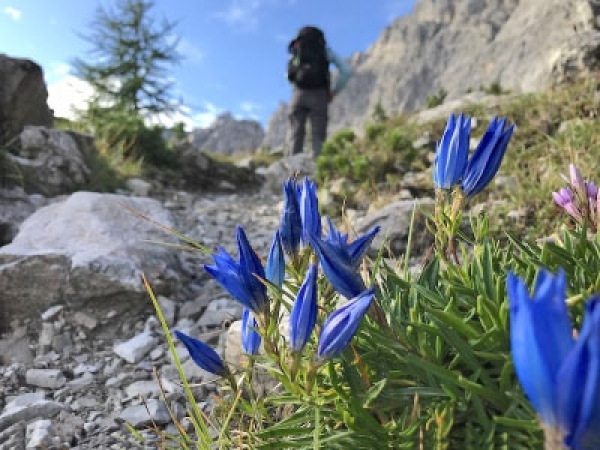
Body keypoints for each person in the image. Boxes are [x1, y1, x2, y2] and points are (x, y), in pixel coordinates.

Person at [286, 26, 351, 158]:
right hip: (319, 95)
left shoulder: (297, 50)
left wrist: (297, 86)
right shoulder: (324, 51)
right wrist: (334, 91)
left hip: (298, 94)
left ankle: (293, 171)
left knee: (296, 133)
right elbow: (346, 70)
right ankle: (319, 170)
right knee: (318, 135)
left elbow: (289, 75)